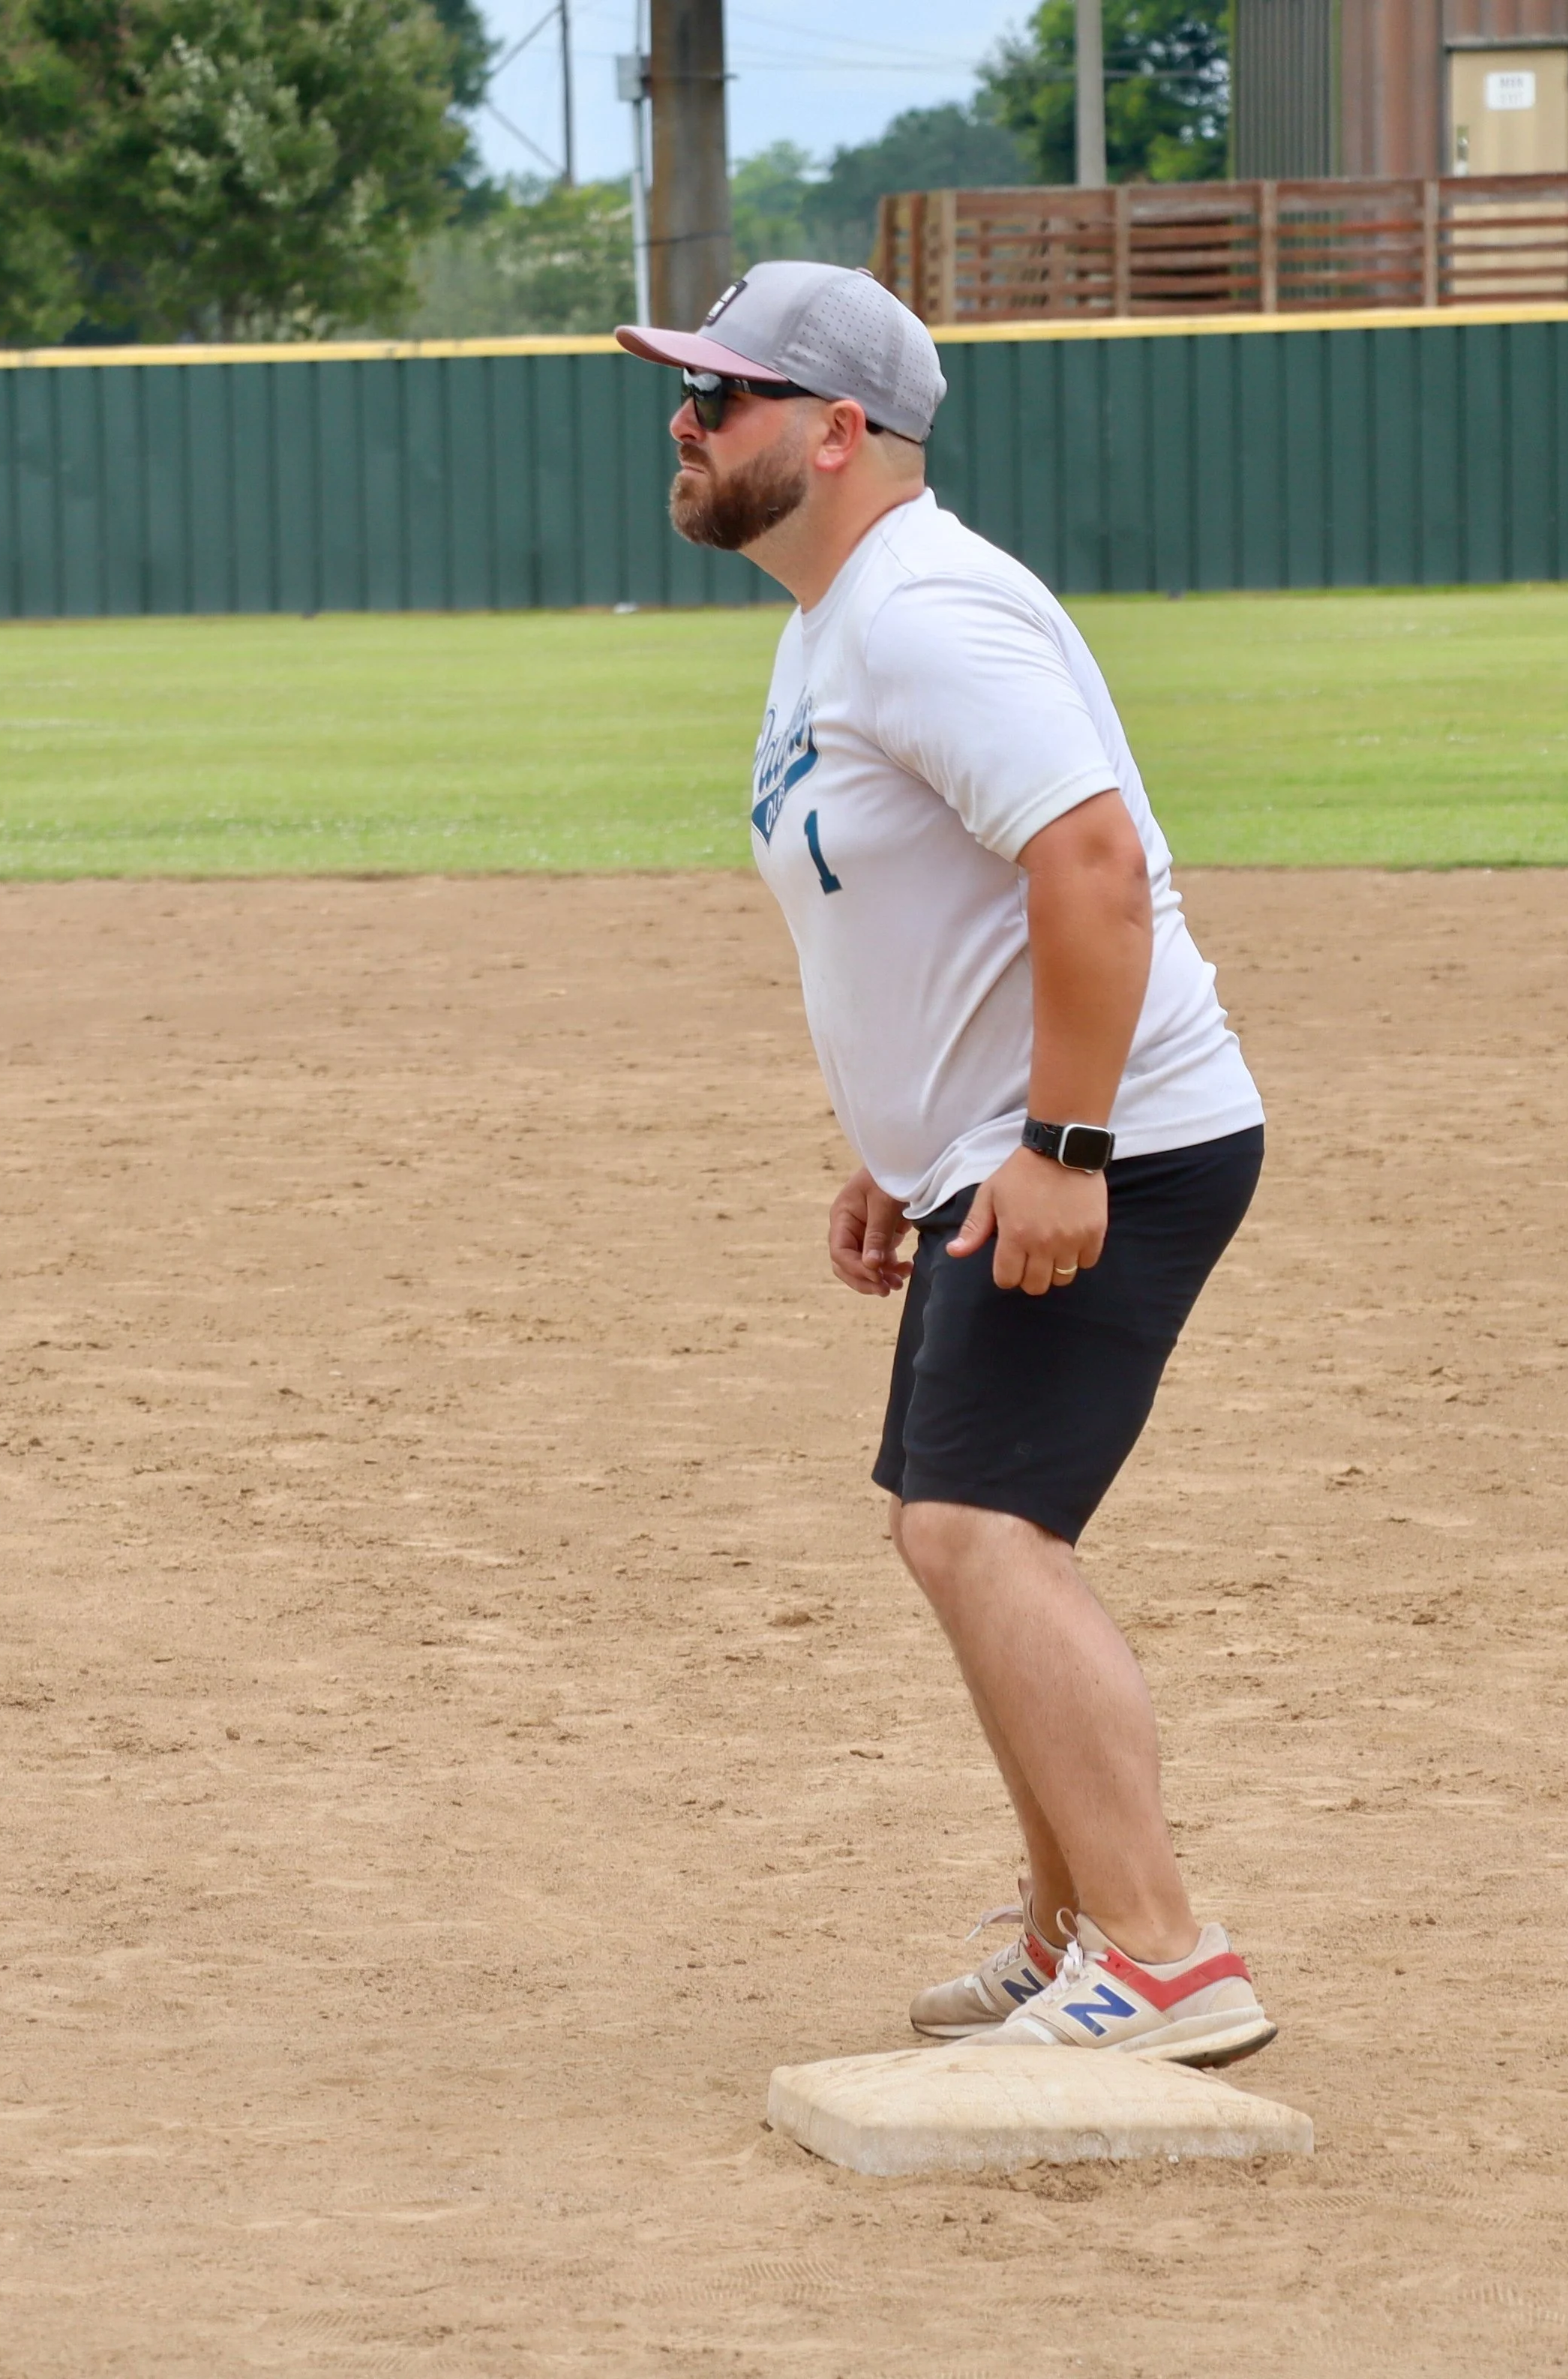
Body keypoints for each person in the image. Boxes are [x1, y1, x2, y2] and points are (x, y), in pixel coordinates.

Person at [615, 263, 1275, 2068]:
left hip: (1099, 1145)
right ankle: (1075, 1932)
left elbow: (1086, 864)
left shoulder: (918, 613)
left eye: (722, 396)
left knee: (976, 1528)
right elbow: (927, 909)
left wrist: (1060, 1142)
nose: (683, 423)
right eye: (687, 393)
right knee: (967, 1529)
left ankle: (1157, 1956)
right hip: (999, 1150)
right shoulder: (835, 617)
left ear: (837, 433)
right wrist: (891, 1149)